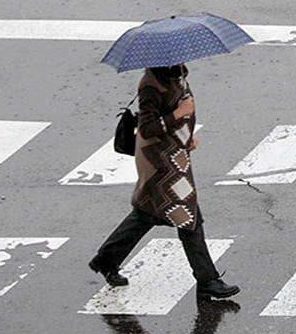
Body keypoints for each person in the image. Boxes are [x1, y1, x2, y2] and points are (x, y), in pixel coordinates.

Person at [89, 64, 239, 300]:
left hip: (174, 155)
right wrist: (178, 115)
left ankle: (106, 259)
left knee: (149, 214)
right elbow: (147, 128)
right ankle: (207, 280)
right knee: (188, 218)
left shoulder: (176, 74)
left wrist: (188, 136)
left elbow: (178, 111)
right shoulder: (151, 85)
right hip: (160, 162)